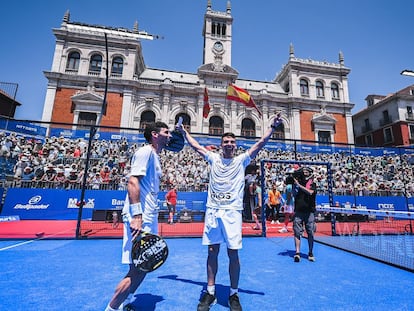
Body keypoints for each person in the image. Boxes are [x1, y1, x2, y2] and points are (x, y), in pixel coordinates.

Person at [177, 114, 282, 311]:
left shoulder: (242, 160)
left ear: (236, 145)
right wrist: (184, 133)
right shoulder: (213, 158)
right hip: (213, 211)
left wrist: (272, 128)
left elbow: (260, 143)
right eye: (226, 141)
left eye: (232, 142)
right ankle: (210, 291)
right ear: (221, 144)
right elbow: (196, 146)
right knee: (212, 252)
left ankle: (234, 293)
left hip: (232, 213)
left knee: (233, 254)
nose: (229, 144)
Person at [104, 122, 172, 311]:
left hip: (149, 216)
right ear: (154, 134)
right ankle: (111, 309)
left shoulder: (156, 155)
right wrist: (137, 216)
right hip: (141, 218)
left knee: (144, 265)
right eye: (166, 132)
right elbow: (133, 181)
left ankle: (126, 303)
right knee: (136, 268)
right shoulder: (145, 152)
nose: (170, 136)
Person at [292, 166, 317, 262]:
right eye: (303, 172)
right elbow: (294, 194)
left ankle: (310, 252)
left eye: (306, 172)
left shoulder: (312, 184)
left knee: (310, 232)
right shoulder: (298, 184)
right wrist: (294, 185)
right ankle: (297, 252)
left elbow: (310, 192)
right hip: (298, 211)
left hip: (309, 212)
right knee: (297, 232)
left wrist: (299, 185)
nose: (304, 173)